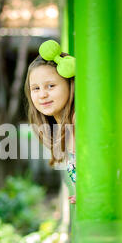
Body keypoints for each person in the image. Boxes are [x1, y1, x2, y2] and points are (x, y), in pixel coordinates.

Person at [23, 40, 76, 204]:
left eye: (50, 86)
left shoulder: (79, 120)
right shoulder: (63, 127)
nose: (42, 95)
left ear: (69, 85)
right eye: (36, 88)